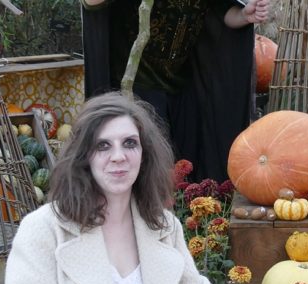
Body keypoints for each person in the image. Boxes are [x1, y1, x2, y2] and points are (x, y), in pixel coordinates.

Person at [2, 92, 308, 284]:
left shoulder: (162, 228)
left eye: (129, 143)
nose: (118, 156)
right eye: (103, 145)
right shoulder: (44, 231)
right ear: (84, 156)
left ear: (144, 153)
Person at [81, 0, 271, 182]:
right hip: (136, 87)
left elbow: (220, 11)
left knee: (185, 170)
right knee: (146, 170)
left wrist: (244, 15)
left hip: (184, 85)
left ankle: (186, 211)